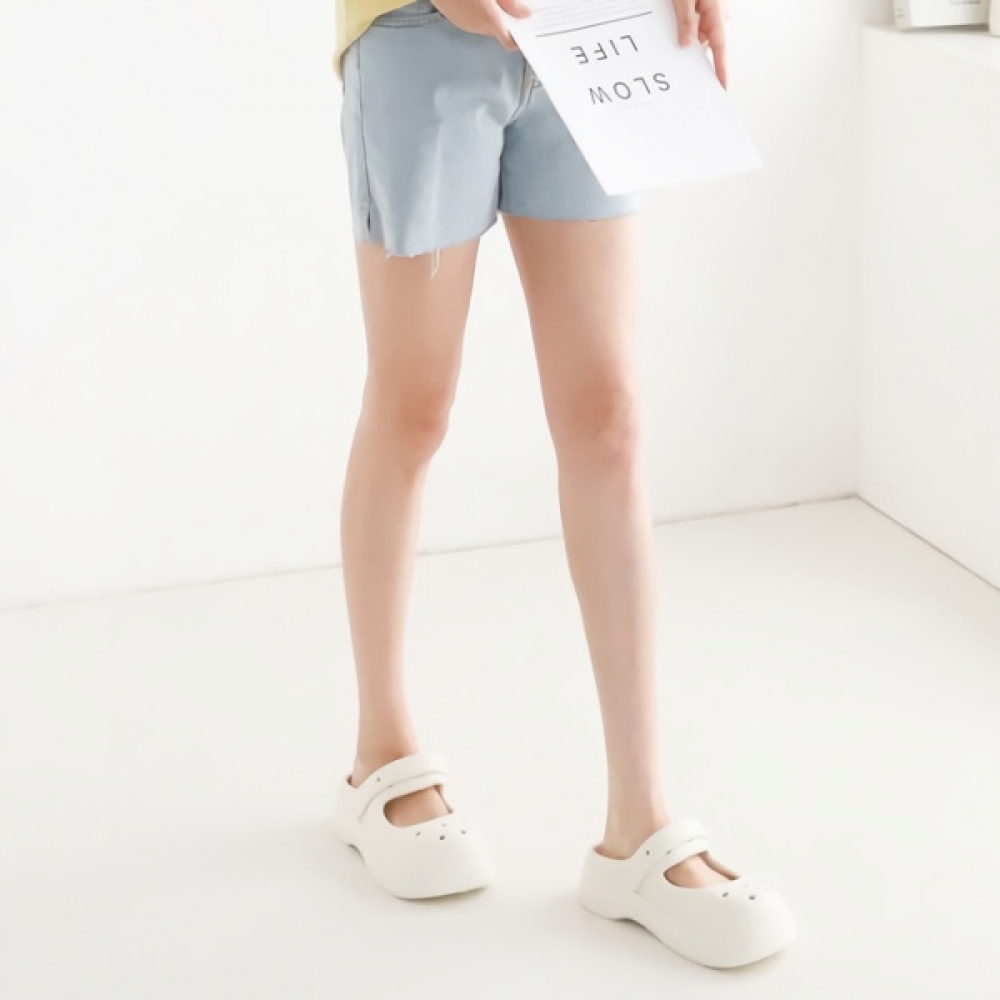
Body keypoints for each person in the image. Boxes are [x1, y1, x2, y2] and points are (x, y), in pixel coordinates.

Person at [329, 0, 796, 969]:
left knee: (607, 416)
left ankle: (638, 822)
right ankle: (380, 749)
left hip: (596, 30)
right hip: (420, 32)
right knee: (413, 403)